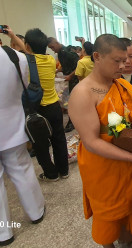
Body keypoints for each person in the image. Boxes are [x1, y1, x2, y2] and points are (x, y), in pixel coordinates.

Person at [68, 34, 132, 248]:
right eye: (117, 60)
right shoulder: (83, 93)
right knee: (109, 209)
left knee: (128, 200)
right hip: (102, 162)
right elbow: (91, 142)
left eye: (125, 60)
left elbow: (120, 119)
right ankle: (109, 244)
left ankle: (126, 234)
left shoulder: (118, 85)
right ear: (97, 57)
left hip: (124, 150)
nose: (123, 65)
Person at [0, 45, 45, 246]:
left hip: (12, 122)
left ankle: (4, 232)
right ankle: (36, 212)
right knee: (22, 169)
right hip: (12, 123)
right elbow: (25, 87)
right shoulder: (15, 56)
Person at [24, 29, 70, 182]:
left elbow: (26, 54)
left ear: (28, 46)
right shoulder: (50, 60)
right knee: (59, 139)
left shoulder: (26, 62)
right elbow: (30, 51)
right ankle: (64, 171)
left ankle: (51, 174)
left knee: (41, 144)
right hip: (54, 107)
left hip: (38, 109)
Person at [47, 37, 79, 132]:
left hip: (74, 80)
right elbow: (65, 66)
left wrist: (70, 75)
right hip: (67, 80)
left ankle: (72, 122)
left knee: (71, 102)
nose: (53, 50)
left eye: (52, 47)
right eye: (51, 48)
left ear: (56, 43)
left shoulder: (68, 52)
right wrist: (57, 70)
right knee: (66, 102)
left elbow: (79, 66)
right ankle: (71, 120)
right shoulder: (60, 53)